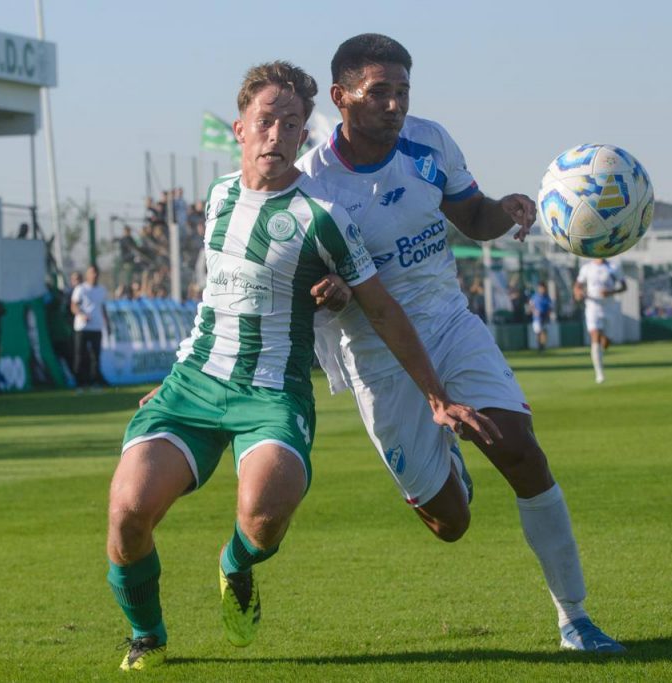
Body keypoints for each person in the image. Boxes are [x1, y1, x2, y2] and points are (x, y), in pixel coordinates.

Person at [106, 60, 497, 672]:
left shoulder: (325, 216)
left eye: (291, 124)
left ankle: (235, 565)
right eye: (266, 120)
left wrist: (435, 396)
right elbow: (220, 297)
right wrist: (177, 375)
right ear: (240, 127)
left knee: (264, 515)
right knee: (129, 510)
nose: (277, 134)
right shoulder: (217, 197)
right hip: (194, 384)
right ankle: (147, 636)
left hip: (273, 392)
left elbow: (382, 309)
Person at [296, 33, 624, 653]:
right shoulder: (313, 186)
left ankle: (575, 618)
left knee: (521, 451)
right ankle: (449, 471)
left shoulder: (431, 142)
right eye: (379, 92)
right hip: (379, 356)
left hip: (448, 321)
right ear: (341, 97)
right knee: (450, 523)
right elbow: (315, 287)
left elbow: (472, 217)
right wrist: (333, 294)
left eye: (403, 91)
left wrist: (508, 209)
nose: (395, 105)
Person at [573, 258, 626, 384]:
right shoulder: (587, 268)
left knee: (606, 342)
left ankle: (600, 354)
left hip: (609, 307)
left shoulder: (614, 267)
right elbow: (577, 286)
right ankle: (599, 373)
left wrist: (611, 292)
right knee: (595, 336)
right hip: (592, 307)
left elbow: (624, 286)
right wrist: (578, 293)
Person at [71, 265, 108, 390]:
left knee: (95, 357)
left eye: (96, 272)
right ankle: (80, 383)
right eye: (92, 272)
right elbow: (73, 306)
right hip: (82, 327)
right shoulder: (81, 289)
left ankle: (95, 382)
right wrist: (81, 315)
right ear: (87, 274)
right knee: (80, 356)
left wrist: (107, 323)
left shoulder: (102, 290)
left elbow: (103, 308)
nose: (94, 275)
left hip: (96, 327)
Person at [528, 282, 553, 352]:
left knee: (543, 332)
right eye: (541, 288)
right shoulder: (535, 297)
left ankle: (542, 346)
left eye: (543, 288)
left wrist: (548, 314)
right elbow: (531, 306)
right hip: (537, 318)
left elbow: (550, 307)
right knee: (538, 332)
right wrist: (535, 311)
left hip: (544, 318)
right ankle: (540, 346)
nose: (542, 289)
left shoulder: (547, 297)